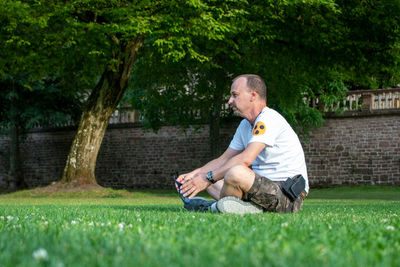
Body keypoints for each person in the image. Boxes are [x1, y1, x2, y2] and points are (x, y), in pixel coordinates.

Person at [176, 74, 309, 214]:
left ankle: (213, 207)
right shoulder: (245, 125)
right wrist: (195, 175)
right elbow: (224, 159)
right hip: (260, 189)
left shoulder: (268, 119)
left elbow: (246, 158)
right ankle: (249, 208)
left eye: (235, 95)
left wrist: (207, 178)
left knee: (235, 172)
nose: (229, 101)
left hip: (287, 196)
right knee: (211, 183)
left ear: (253, 96)